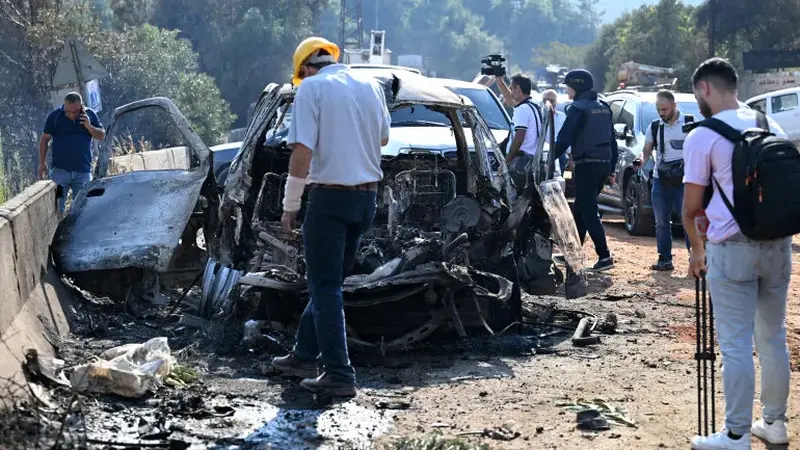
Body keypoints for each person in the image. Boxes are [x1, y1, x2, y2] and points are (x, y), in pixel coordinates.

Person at [271, 36, 391, 398]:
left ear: (305, 69)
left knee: (324, 287)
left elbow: (302, 153)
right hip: (367, 199)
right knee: (330, 285)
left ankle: (339, 373)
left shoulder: (311, 89)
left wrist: (290, 204)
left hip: (330, 200)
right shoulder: (371, 85)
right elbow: (383, 139)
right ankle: (304, 355)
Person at [683, 57, 792, 449]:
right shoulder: (768, 124)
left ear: (705, 89)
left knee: (734, 344)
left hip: (732, 249)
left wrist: (697, 251)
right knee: (773, 338)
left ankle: (735, 435)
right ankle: (775, 424)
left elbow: (691, 206)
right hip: (778, 245)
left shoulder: (702, 136)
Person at [551, 69, 617, 272]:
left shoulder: (577, 108)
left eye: (568, 85)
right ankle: (573, 254)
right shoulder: (603, 108)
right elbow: (612, 141)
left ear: (576, 86)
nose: (567, 89)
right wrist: (612, 169)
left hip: (586, 165)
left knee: (587, 210)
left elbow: (564, 138)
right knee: (581, 209)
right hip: (603, 164)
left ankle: (604, 256)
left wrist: (547, 160)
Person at [637, 90, 692, 271]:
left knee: (688, 221)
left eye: (665, 109)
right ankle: (665, 259)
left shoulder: (690, 123)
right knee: (661, 222)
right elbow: (646, 150)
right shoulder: (654, 127)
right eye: (659, 109)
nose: (662, 113)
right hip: (660, 180)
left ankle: (696, 257)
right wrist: (641, 160)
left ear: (674, 106)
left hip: (684, 180)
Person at [38, 92, 105, 213]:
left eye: (76, 111)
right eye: (68, 111)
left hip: (82, 172)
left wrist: (89, 126)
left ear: (82, 106)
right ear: (64, 106)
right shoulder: (55, 116)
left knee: (83, 210)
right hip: (59, 173)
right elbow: (44, 139)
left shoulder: (89, 115)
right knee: (57, 209)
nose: (72, 115)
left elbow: (101, 135)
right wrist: (42, 163)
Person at [494, 73, 543, 188]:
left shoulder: (522, 109)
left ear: (518, 89)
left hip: (520, 163)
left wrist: (505, 162)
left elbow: (518, 139)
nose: (510, 91)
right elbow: (511, 100)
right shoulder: (532, 106)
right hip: (530, 161)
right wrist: (499, 81)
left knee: (514, 200)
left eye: (511, 88)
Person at [541, 89, 569, 176]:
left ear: (556, 102)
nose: (548, 103)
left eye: (552, 100)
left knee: (561, 178)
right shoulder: (538, 115)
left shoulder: (562, 117)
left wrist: (570, 155)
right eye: (546, 100)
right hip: (542, 153)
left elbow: (566, 136)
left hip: (559, 153)